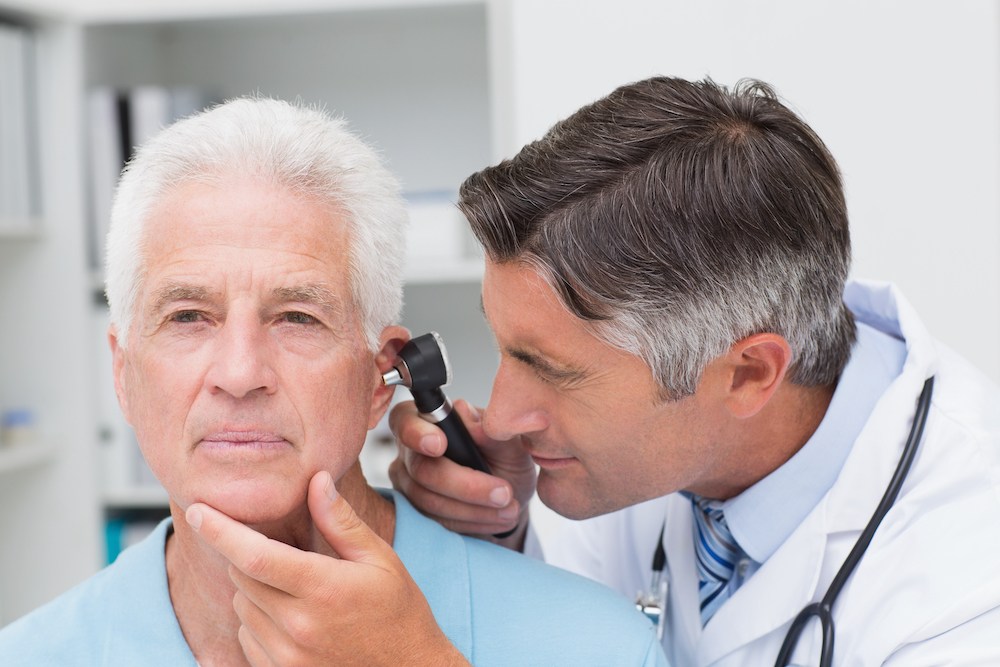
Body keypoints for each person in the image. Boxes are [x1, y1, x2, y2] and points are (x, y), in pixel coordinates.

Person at [159, 77, 1000, 666]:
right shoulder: (663, 440)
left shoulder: (966, 583)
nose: (504, 411)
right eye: (505, 345)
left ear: (747, 375)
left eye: (549, 368)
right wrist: (510, 537)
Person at [0, 96, 667, 666]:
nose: (239, 373)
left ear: (381, 377)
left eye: (297, 316)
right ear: (122, 372)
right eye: (187, 316)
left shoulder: (599, 645)